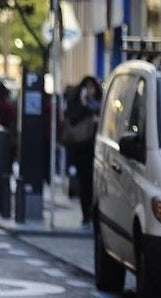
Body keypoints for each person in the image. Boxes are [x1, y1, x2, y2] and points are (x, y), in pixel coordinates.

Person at [63, 75, 102, 225]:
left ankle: (93, 213)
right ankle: (86, 213)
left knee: (94, 184)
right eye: (87, 88)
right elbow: (73, 119)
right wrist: (85, 104)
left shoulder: (99, 103)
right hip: (81, 148)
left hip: (96, 148)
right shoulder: (76, 103)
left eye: (92, 87)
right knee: (84, 182)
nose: (90, 91)